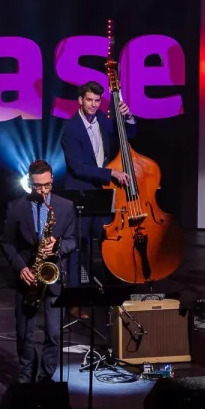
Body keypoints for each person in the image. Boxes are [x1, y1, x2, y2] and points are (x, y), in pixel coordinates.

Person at [59, 80, 135, 315]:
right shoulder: (71, 129)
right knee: (79, 248)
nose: (93, 104)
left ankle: (110, 294)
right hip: (82, 194)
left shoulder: (101, 118)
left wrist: (128, 117)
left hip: (104, 194)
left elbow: (126, 136)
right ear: (80, 100)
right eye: (89, 100)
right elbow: (78, 167)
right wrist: (110, 173)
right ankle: (75, 302)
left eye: (97, 100)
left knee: (108, 243)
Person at [0, 160, 78, 383]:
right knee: (25, 333)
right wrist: (21, 267)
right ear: (29, 183)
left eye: (46, 185)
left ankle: (46, 376)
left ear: (52, 180)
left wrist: (58, 245)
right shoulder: (16, 207)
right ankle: (27, 371)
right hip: (28, 276)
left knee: (54, 334)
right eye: (37, 186)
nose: (43, 191)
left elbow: (73, 241)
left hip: (53, 276)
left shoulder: (65, 206)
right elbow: (5, 242)